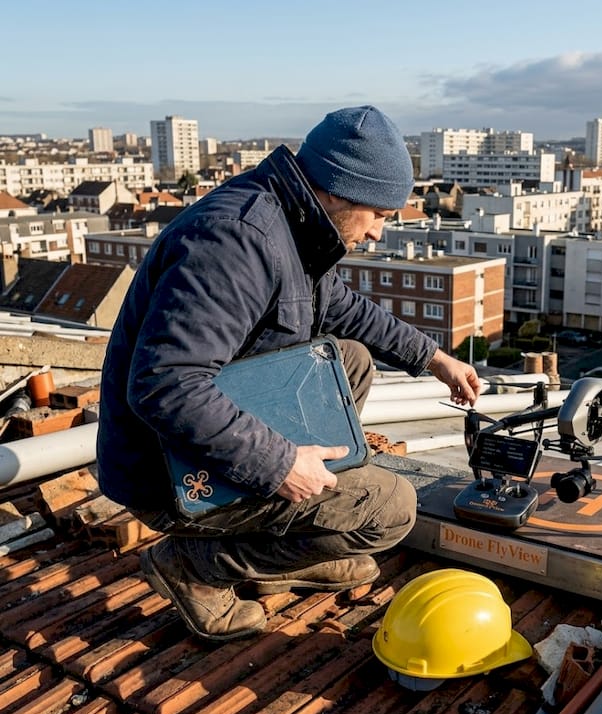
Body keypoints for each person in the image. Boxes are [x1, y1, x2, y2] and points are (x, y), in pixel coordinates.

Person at [96, 105, 481, 642]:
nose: (377, 235)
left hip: (196, 437)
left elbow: (342, 307)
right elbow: (164, 384)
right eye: (379, 215)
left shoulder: (289, 218)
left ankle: (299, 541)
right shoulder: (237, 243)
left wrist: (433, 359)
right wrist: (279, 465)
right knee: (391, 510)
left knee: (349, 360)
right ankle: (197, 565)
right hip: (166, 474)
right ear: (342, 191)